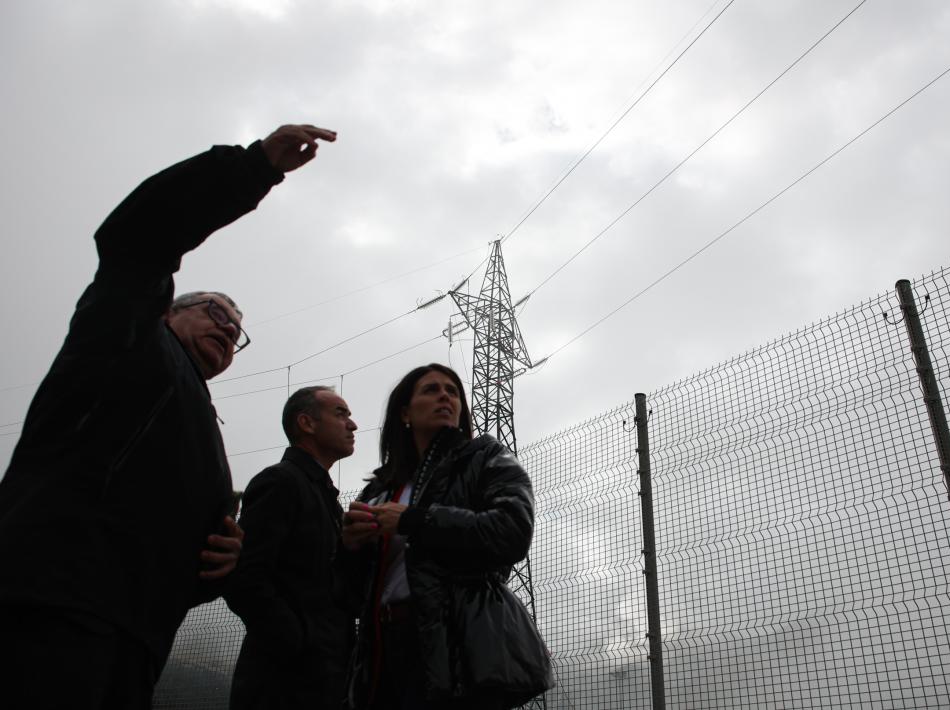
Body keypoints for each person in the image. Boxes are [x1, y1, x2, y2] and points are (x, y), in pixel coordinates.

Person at [0, 123, 336, 709]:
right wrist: (254, 167)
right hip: (48, 609)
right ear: (168, 312)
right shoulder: (126, 336)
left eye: (237, 331)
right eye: (215, 311)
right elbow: (138, 237)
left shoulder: (201, 418)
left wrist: (218, 563)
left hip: (134, 642)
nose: (228, 329)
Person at [337, 363, 554, 710]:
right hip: (381, 652)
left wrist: (415, 520)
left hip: (457, 647)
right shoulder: (378, 490)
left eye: (453, 392)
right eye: (431, 389)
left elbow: (513, 531)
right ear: (405, 413)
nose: (445, 396)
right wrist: (350, 547)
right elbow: (350, 593)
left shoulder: (485, 458)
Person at [226, 386, 358, 710]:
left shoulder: (324, 496)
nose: (353, 424)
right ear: (306, 423)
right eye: (340, 414)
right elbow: (245, 576)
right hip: (282, 684)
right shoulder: (281, 482)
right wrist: (297, 640)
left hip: (323, 680)